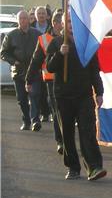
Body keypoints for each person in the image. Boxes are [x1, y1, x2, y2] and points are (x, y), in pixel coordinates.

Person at [45, 13, 106, 181]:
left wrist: (99, 92)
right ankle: (72, 167)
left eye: (75, 21)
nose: (72, 24)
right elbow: (50, 67)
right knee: (67, 133)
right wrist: (59, 54)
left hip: (84, 94)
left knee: (88, 131)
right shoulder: (56, 43)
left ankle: (94, 167)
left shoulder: (86, 43)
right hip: (63, 96)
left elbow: (94, 70)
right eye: (69, 21)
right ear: (63, 24)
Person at [26, 12, 64, 153]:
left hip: (69, 81)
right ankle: (60, 141)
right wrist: (29, 79)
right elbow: (36, 61)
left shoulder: (72, 38)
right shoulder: (44, 39)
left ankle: (67, 139)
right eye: (62, 22)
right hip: (51, 81)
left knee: (67, 112)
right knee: (56, 111)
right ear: (55, 23)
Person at [1, 9, 42, 131]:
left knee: (35, 95)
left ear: (29, 20)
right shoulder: (11, 36)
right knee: (22, 99)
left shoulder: (37, 34)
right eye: (21, 18)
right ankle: (26, 121)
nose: (23, 20)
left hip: (34, 71)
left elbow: (44, 50)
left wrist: (39, 63)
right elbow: (3, 52)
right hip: (18, 72)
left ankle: (35, 120)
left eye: (25, 18)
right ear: (18, 21)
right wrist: (14, 61)